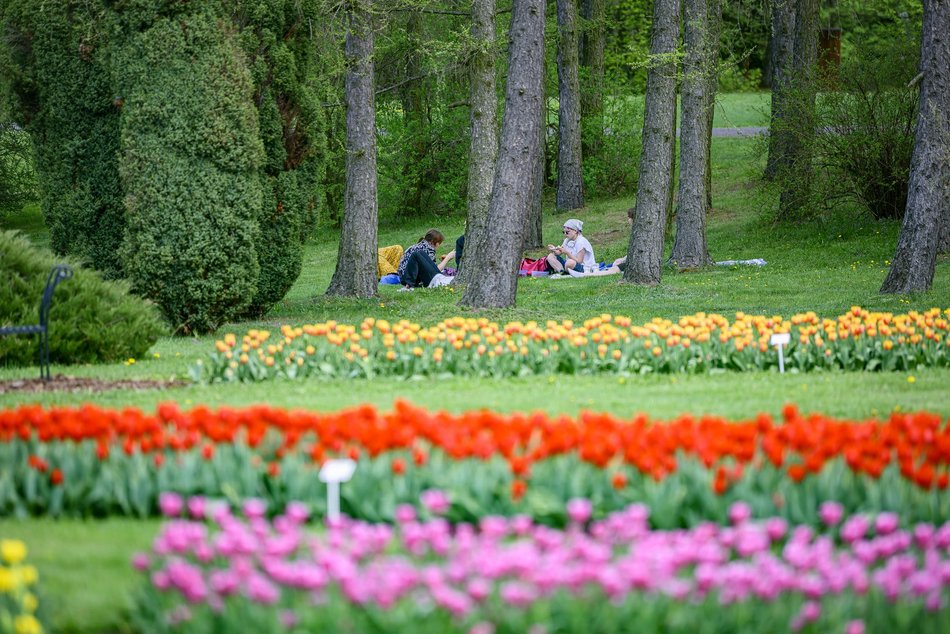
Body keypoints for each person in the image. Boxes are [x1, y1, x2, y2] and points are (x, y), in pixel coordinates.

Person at [567, 208, 634, 277]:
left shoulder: (581, 241)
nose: (628, 220)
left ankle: (586, 275)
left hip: (634, 262)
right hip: (631, 260)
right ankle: (587, 274)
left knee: (613, 269)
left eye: (629, 217)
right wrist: (623, 259)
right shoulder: (567, 241)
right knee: (614, 265)